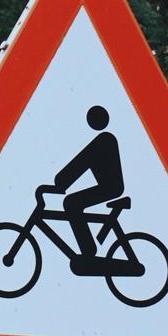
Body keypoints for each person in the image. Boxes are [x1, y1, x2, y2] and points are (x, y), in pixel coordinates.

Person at [47, 105, 123, 275]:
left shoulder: (104, 140)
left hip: (111, 188)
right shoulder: (104, 139)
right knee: (72, 203)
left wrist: (60, 183)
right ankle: (89, 251)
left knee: (71, 203)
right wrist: (61, 183)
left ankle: (89, 253)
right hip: (108, 187)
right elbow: (82, 163)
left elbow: (81, 163)